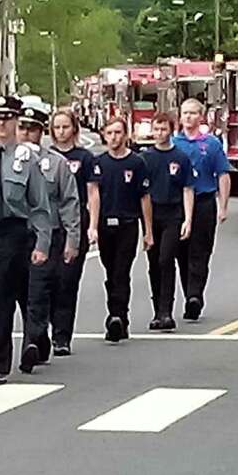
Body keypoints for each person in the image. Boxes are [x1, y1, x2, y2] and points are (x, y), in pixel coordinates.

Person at [0, 94, 52, 385]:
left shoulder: (26, 158)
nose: (1, 124)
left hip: (11, 232)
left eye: (7, 118)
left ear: (16, 122)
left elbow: (40, 204)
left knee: (1, 296)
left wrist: (42, 243)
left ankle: (0, 363)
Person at [17, 103, 80, 373]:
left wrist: (72, 238)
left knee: (39, 291)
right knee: (13, 293)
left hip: (48, 234)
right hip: (13, 236)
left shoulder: (55, 164)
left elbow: (69, 202)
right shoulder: (3, 160)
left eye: (32, 129)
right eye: (22, 128)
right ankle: (32, 338)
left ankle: (32, 340)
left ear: (41, 133)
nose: (26, 133)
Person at [89, 118, 153, 343]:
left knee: (121, 271)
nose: (114, 137)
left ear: (126, 134)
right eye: (110, 133)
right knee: (110, 272)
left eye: (118, 132)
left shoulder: (137, 163)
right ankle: (115, 312)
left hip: (128, 223)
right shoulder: (99, 163)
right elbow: (94, 194)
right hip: (106, 223)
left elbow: (144, 197)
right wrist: (93, 226)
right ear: (104, 135)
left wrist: (148, 231)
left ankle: (118, 315)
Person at [172, 97, 231, 321]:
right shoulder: (174, 144)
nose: (188, 117)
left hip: (204, 201)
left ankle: (195, 296)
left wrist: (223, 206)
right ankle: (189, 293)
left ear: (201, 117)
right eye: (184, 113)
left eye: (192, 113)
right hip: (178, 205)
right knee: (181, 254)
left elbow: (223, 175)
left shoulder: (211, 144)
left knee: (200, 253)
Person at [49, 108, 97, 357]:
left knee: (67, 282)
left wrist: (92, 226)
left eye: (65, 126)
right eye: (57, 127)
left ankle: (62, 336)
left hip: (75, 224)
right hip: (48, 225)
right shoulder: (46, 156)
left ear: (74, 129)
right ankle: (43, 331)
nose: (61, 132)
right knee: (47, 282)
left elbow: (92, 193)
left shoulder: (85, 157)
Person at [141, 112, 194, 332]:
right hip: (152, 215)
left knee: (166, 259)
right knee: (153, 263)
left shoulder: (180, 157)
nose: (160, 133)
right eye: (156, 129)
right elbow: (142, 192)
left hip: (173, 214)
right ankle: (156, 312)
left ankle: (166, 311)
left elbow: (187, 188)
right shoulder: (145, 158)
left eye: (164, 129)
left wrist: (188, 219)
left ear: (171, 130)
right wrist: (146, 227)